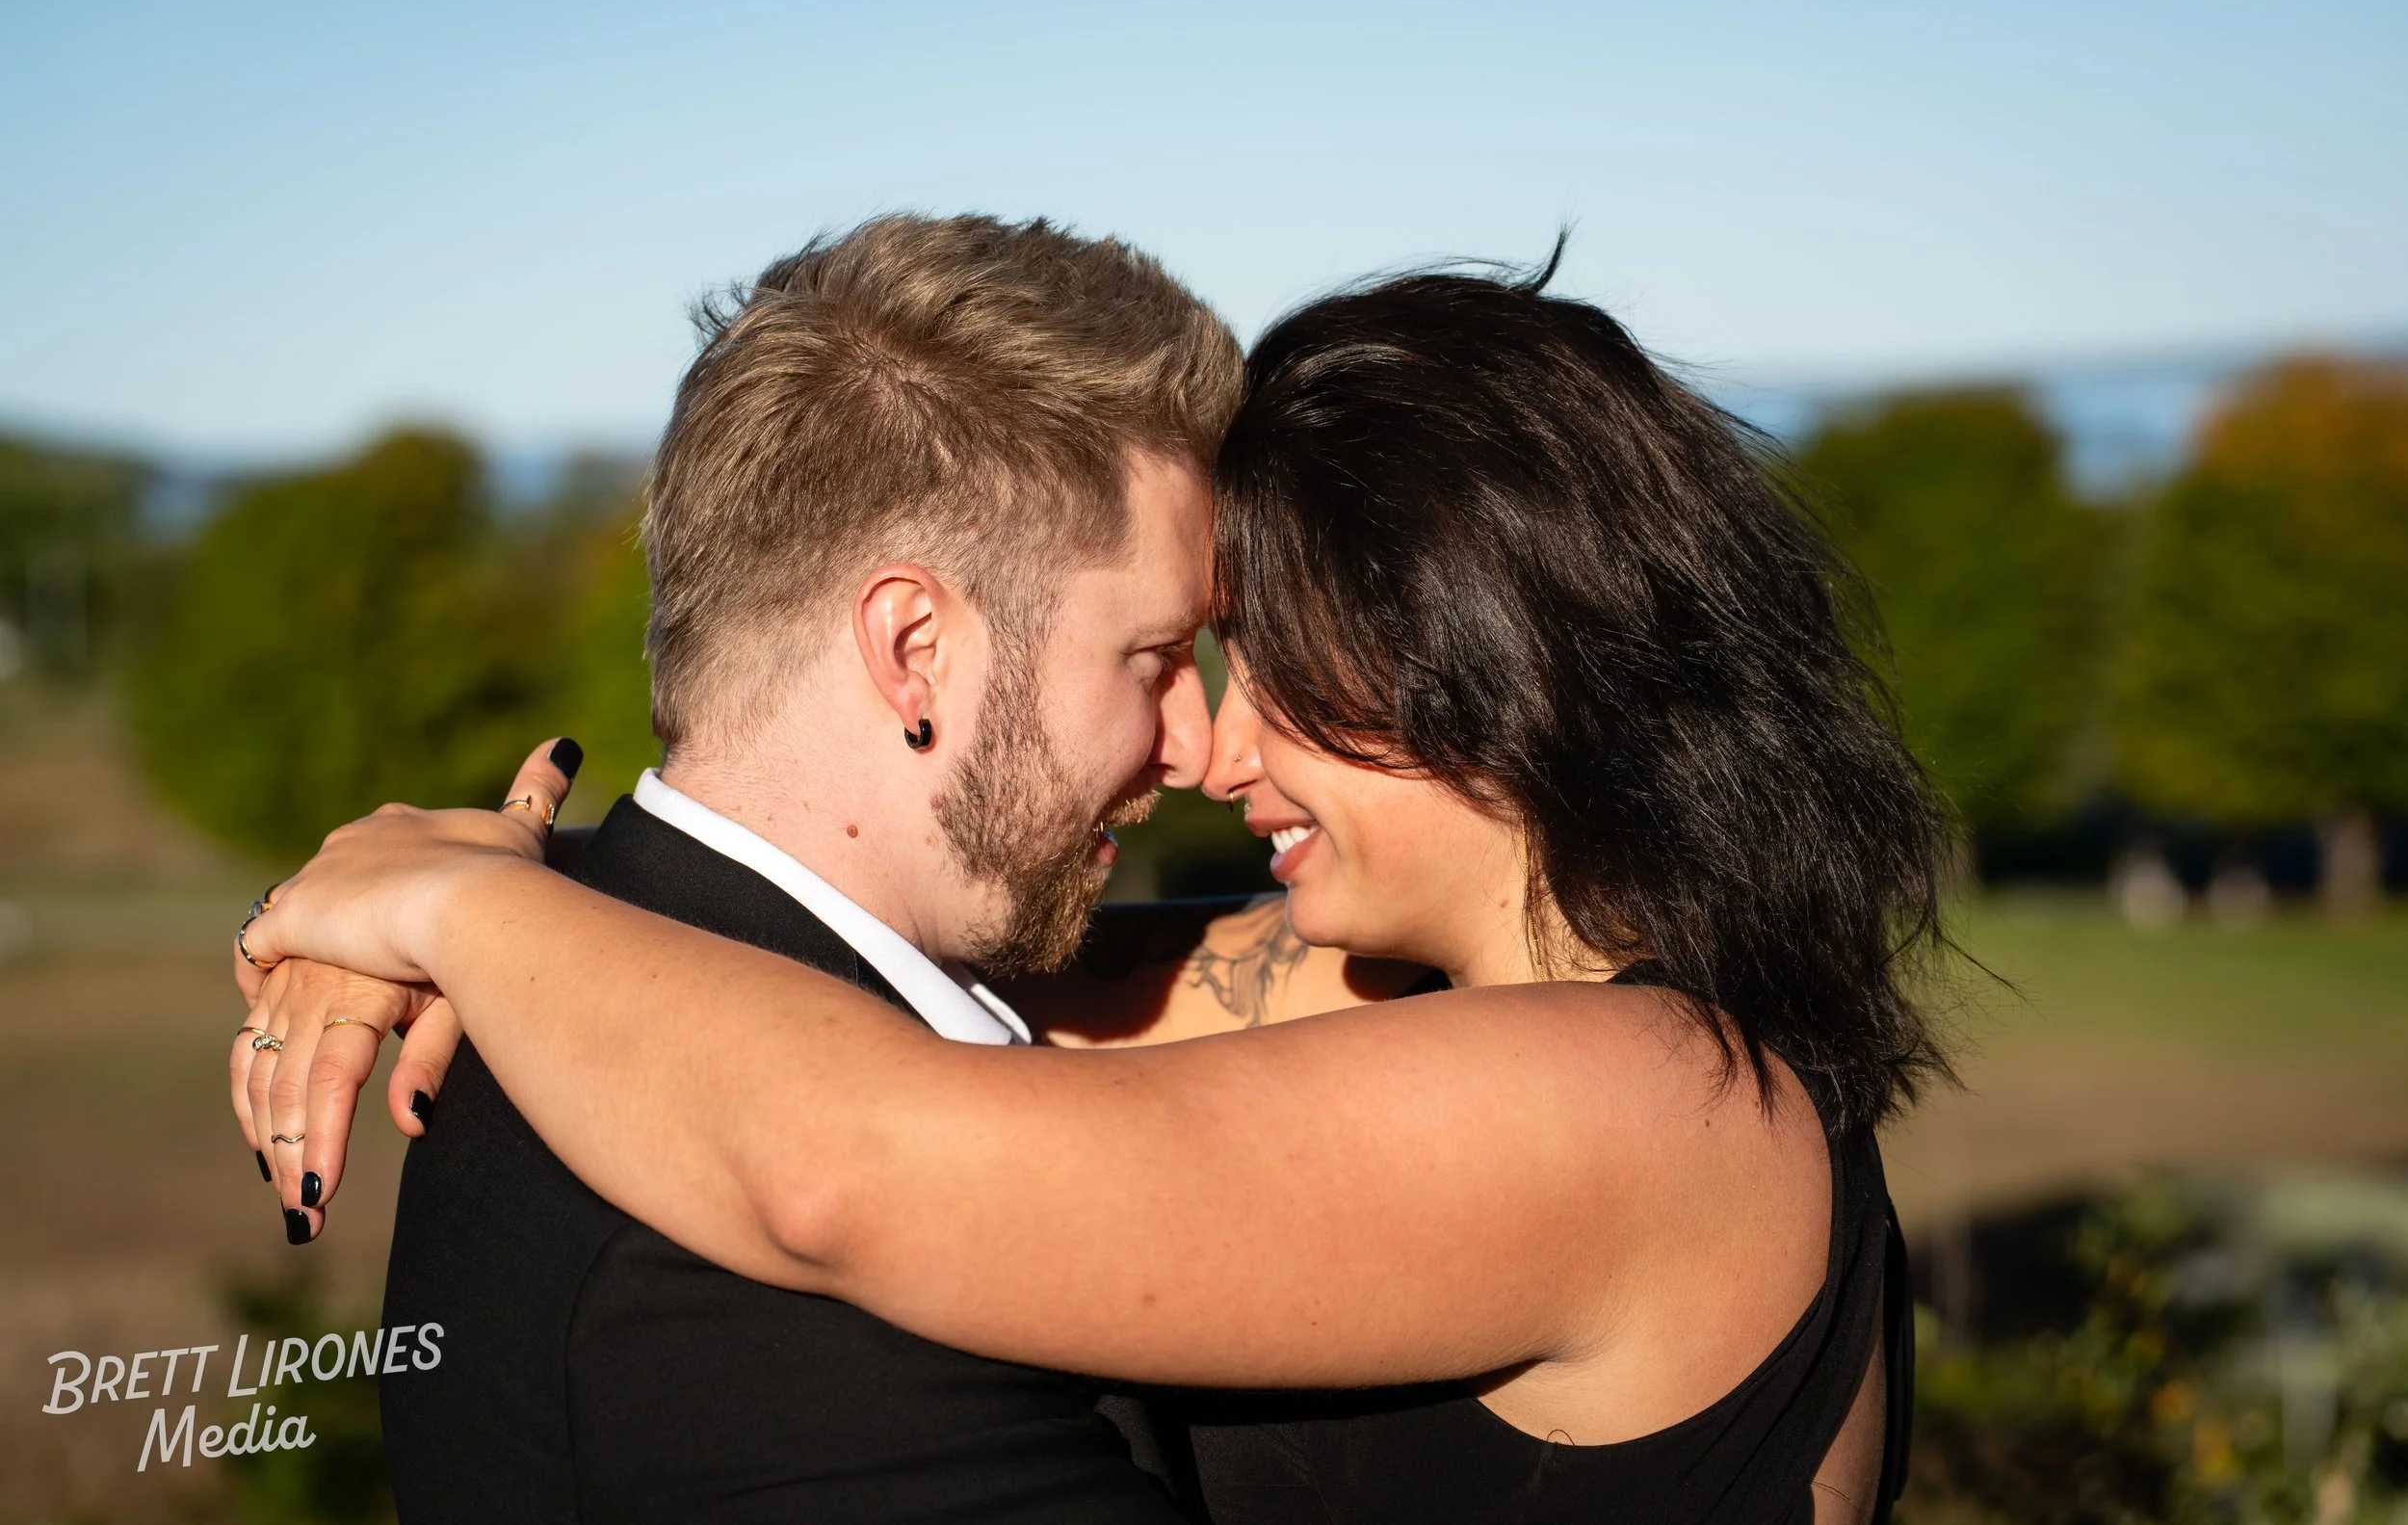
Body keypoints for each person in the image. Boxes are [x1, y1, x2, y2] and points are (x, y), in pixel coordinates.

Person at [238, 259, 1951, 1524]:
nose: (1213, 742)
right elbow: (924, 997)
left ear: (1480, 672)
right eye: (1178, 652)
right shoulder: (1425, 1005)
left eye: (1268, 662)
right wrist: (520, 875)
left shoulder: (1650, 1102)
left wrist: (459, 912)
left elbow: (856, 1153)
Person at [233, 212, 1247, 1522]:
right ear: (914, 646)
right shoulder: (751, 1304)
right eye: (1156, 658)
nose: (1197, 743)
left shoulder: (576, 982)